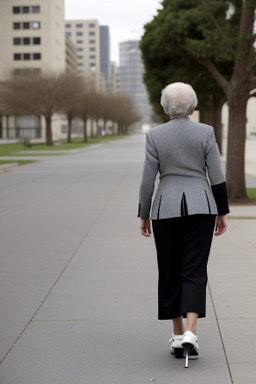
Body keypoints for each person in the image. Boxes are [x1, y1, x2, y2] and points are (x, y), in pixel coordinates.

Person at [138, 82, 229, 368]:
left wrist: (143, 213)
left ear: (165, 108)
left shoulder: (155, 135)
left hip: (165, 209)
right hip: (202, 206)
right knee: (194, 269)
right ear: (192, 107)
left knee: (169, 269)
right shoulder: (205, 133)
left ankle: (178, 336)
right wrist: (222, 212)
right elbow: (216, 175)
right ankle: (192, 330)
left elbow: (146, 179)